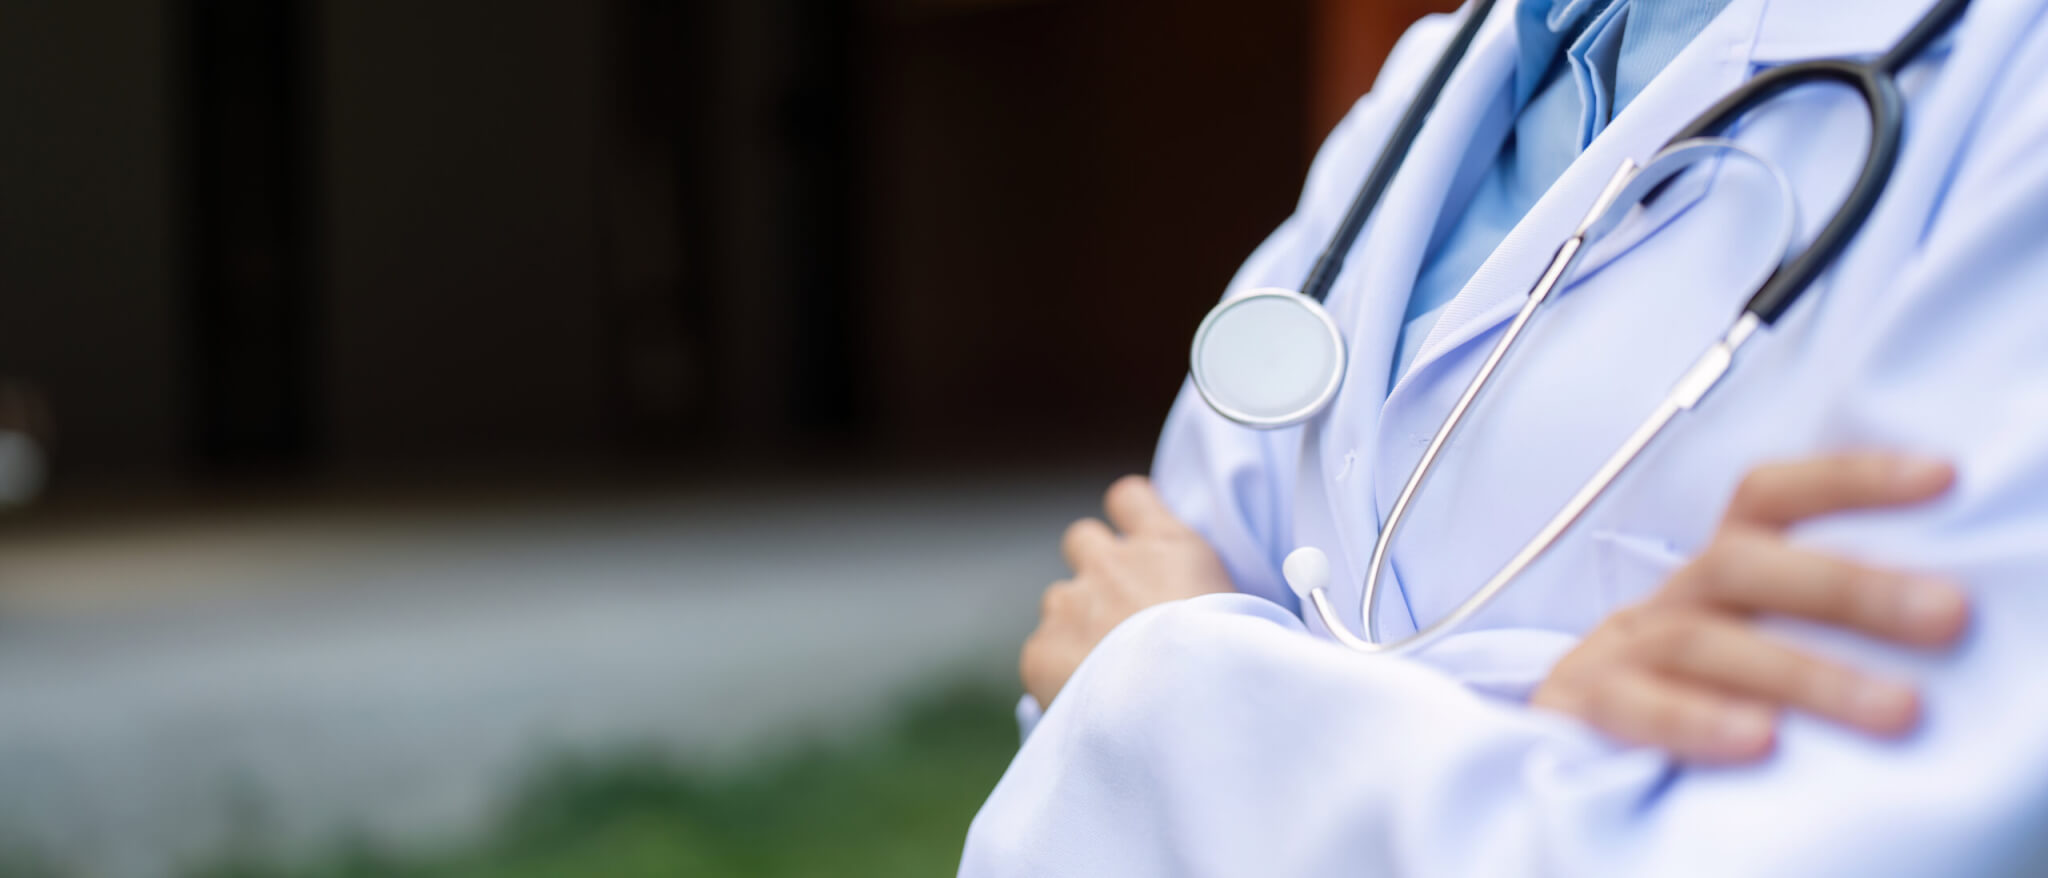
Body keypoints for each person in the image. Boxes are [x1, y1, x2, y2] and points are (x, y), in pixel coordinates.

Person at [960, 0, 2048, 874]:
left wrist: (1179, 692)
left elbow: (1875, 829)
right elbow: (1072, 719)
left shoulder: (2011, 77)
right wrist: (1536, 731)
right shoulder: (1438, 78)